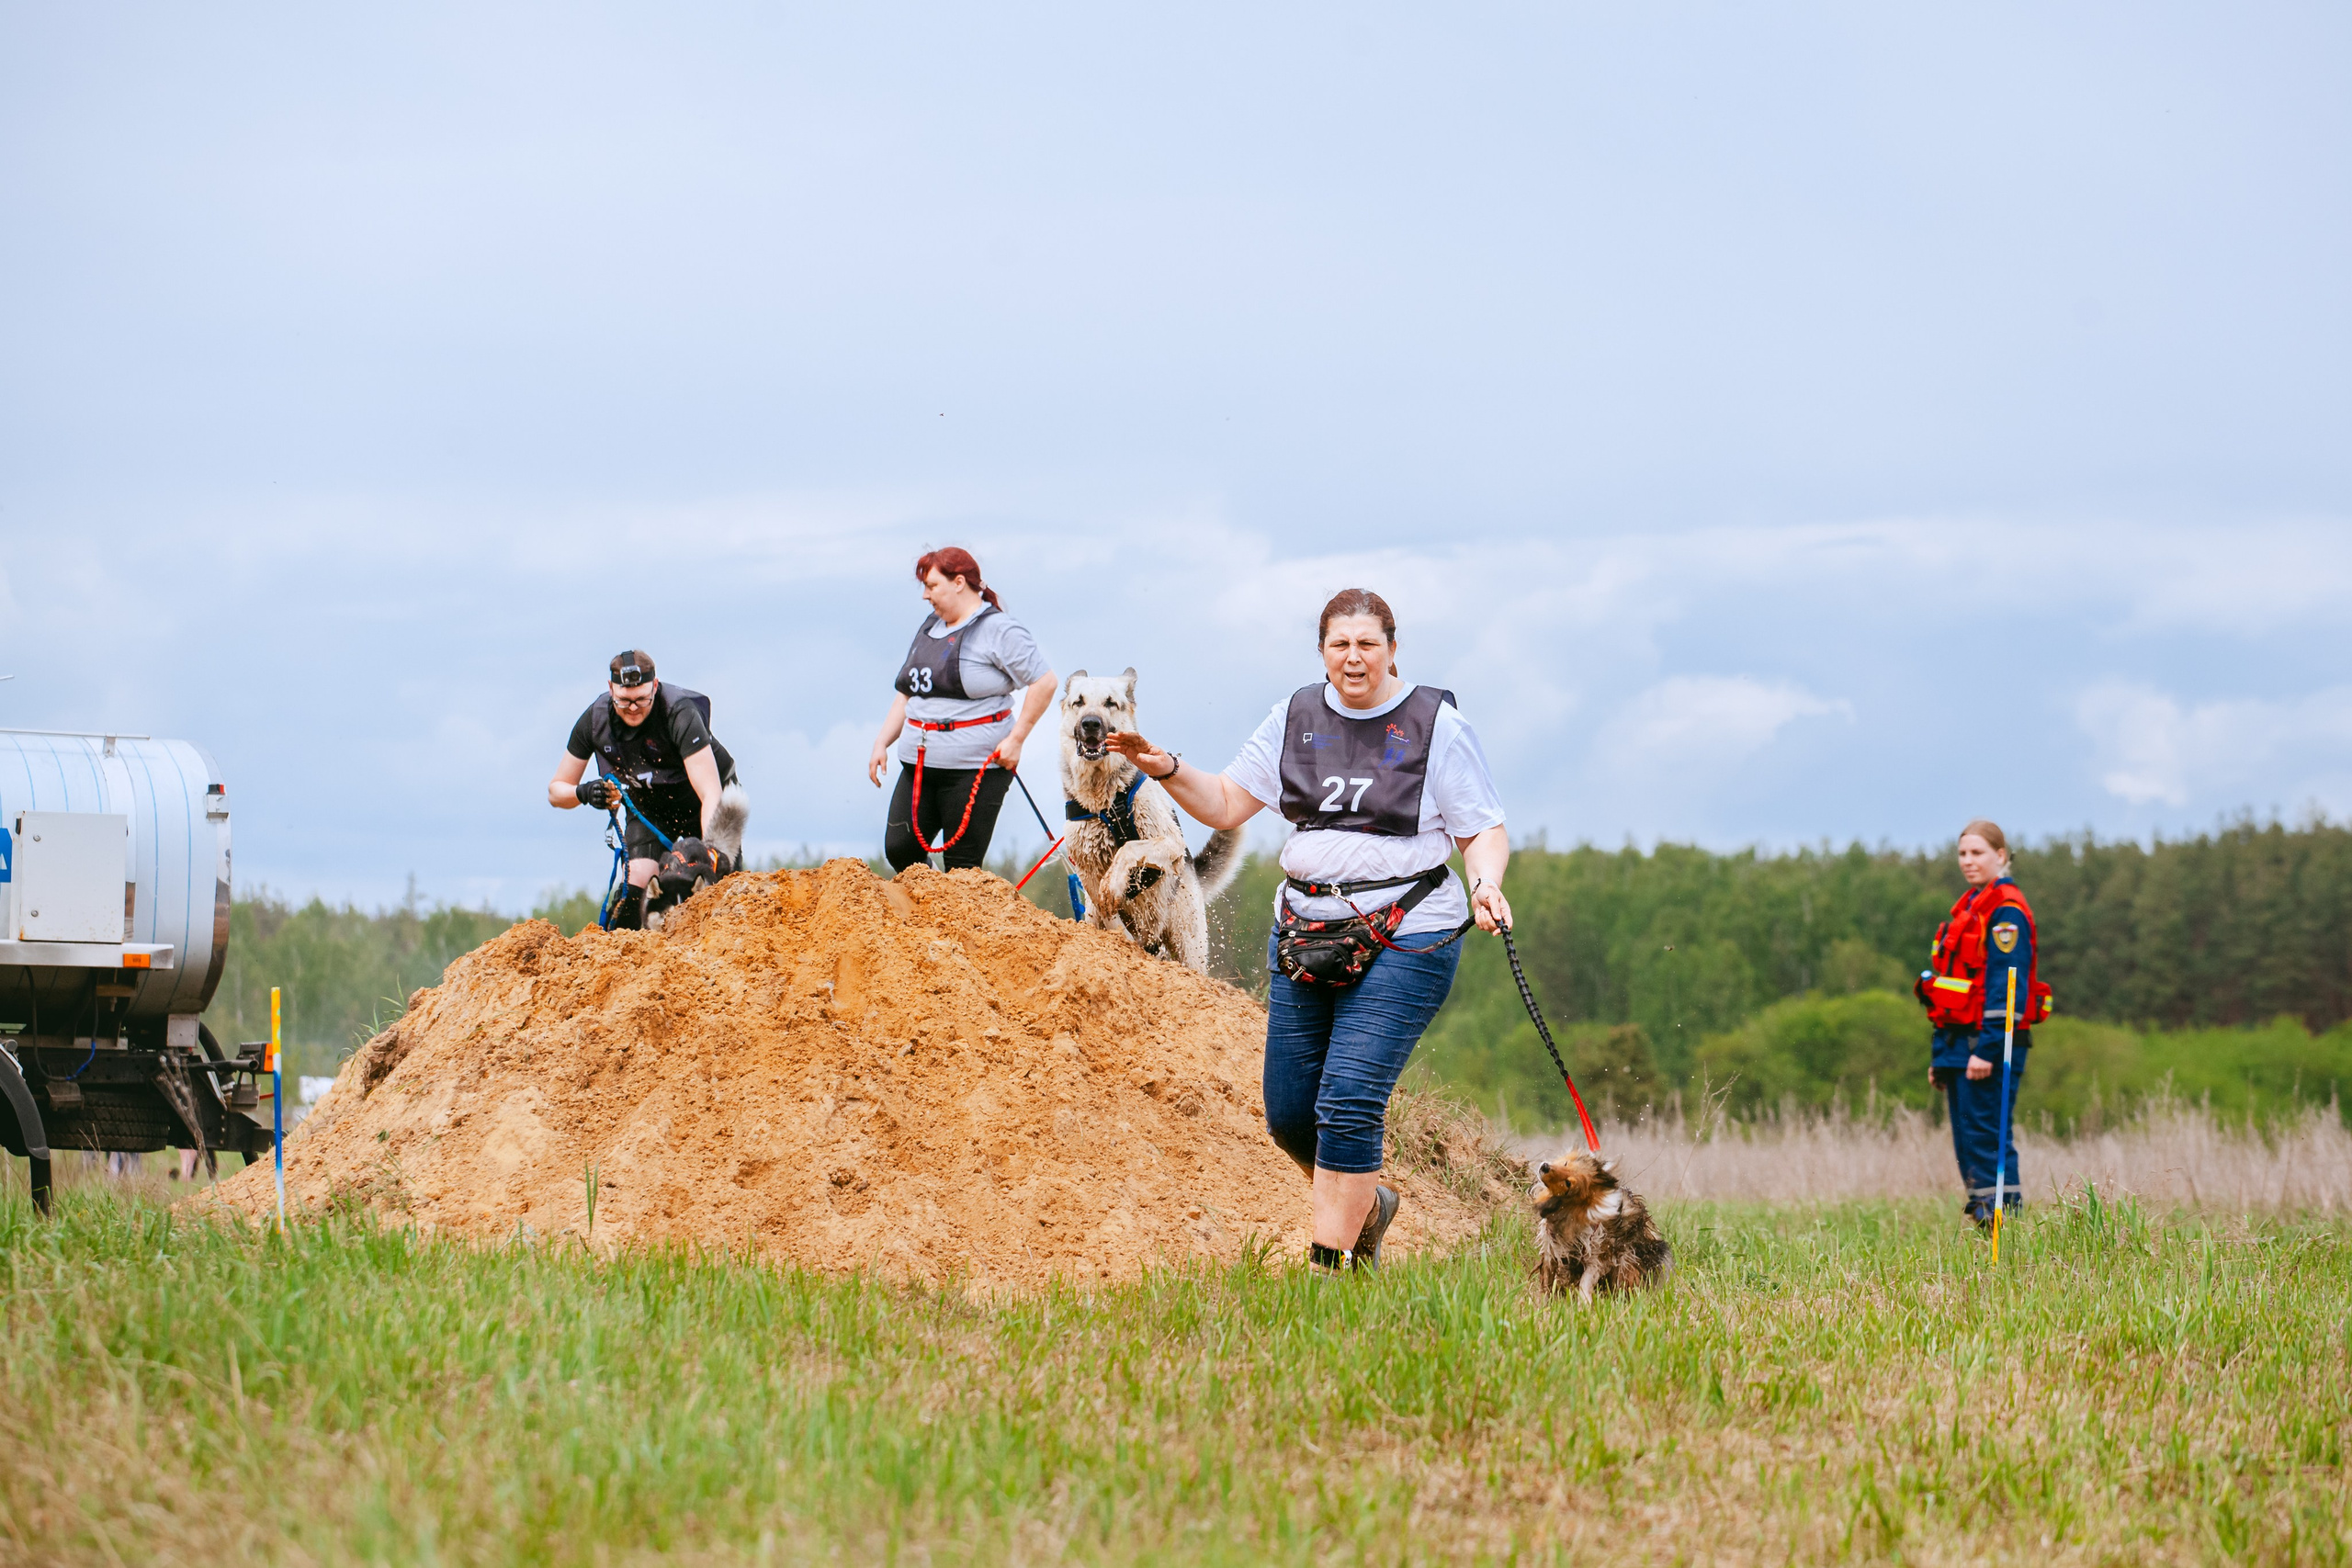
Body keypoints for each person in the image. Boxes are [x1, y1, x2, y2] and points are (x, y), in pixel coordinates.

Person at [1106, 588, 1510, 1275]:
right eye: (1339, 644)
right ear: (1322, 651)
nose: (1354, 657)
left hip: (1408, 927)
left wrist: (1485, 884)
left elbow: (1482, 830)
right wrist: (1163, 766)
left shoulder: (1435, 724)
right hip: (1305, 926)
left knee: (1348, 1097)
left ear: (1391, 649)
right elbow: (1227, 802)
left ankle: (1331, 1271)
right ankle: (1367, 1209)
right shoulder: (1295, 716)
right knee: (1291, 1114)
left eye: (1368, 644)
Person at [867, 547, 1057, 874]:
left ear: (958, 583)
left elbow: (1045, 682)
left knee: (962, 869)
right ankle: (929, 898)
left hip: (976, 768)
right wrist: (881, 743)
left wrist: (1016, 740)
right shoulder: (929, 627)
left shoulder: (1000, 630)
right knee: (900, 850)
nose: (926, 596)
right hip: (918, 763)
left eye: (932, 586)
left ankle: (955, 906)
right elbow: (906, 694)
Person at [1917, 819, 2052, 1227]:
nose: (1968, 861)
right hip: (1959, 1045)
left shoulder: (2006, 912)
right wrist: (1942, 1058)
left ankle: (2006, 1230)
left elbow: (2006, 986)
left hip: (1989, 1045)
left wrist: (1989, 1049)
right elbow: (1956, 988)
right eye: (1962, 853)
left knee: (1988, 1139)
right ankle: (1985, 1226)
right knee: (1968, 1144)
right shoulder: (1971, 907)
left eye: (1977, 853)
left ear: (2001, 855)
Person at [548, 650, 741, 930]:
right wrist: (586, 792)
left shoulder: (679, 712)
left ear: (655, 686)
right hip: (650, 808)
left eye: (642, 699)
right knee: (635, 885)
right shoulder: (595, 720)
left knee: (720, 887)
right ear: (611, 689)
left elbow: (710, 792)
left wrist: (711, 850)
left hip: (706, 803)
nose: (633, 708)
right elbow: (556, 792)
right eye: (624, 700)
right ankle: (620, 948)